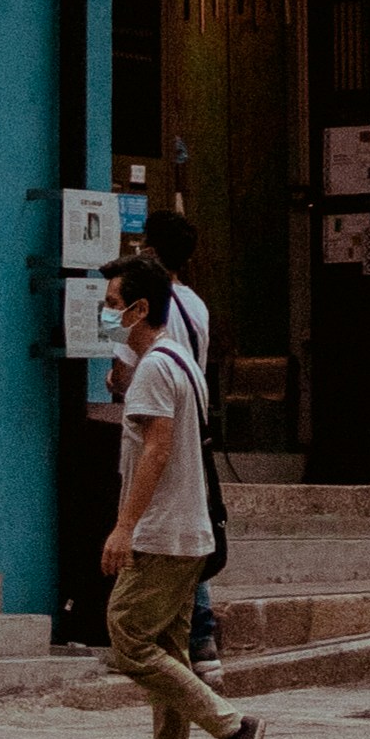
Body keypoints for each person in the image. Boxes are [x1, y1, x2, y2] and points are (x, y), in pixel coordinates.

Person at [89, 248, 253, 739]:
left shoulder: (157, 368)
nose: (106, 315)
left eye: (112, 305)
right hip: (189, 531)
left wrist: (123, 528)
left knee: (128, 637)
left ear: (138, 309)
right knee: (168, 650)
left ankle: (231, 728)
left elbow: (157, 450)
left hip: (162, 535)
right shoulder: (179, 360)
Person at [133, 211, 226, 677]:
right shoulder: (197, 305)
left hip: (161, 419)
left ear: (150, 249)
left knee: (164, 523)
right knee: (190, 520)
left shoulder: (146, 308)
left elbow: (123, 374)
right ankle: (201, 637)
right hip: (196, 424)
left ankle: (185, 634)